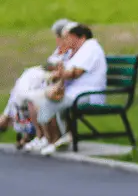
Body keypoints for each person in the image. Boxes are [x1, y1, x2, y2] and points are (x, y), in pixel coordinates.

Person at [29, 24, 108, 156]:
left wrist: (59, 74)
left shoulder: (90, 48)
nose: (66, 41)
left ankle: (55, 140)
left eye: (69, 38)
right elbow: (64, 72)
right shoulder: (77, 51)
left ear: (81, 37)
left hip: (88, 94)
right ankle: (60, 137)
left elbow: (75, 72)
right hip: (74, 92)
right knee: (43, 98)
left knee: (47, 102)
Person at [1, 20, 76, 147]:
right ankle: (13, 121)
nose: (59, 40)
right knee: (25, 85)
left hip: (58, 86)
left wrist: (51, 70)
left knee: (25, 87)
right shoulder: (60, 50)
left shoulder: (71, 51)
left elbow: (61, 70)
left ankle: (9, 120)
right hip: (48, 83)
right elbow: (51, 66)